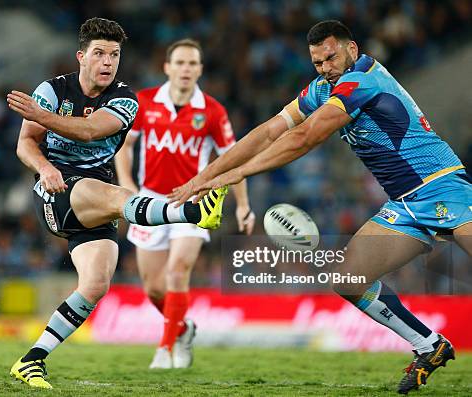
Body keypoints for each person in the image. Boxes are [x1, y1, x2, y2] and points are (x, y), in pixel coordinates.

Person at [170, 20, 471, 394]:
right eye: (317, 63)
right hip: (407, 206)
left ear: (352, 50)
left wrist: (241, 173)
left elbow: (304, 138)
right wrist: (204, 177)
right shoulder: (322, 89)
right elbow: (269, 131)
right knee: (349, 278)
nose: (325, 68)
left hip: (444, 190)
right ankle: (430, 346)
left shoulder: (363, 82)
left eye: (330, 58)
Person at [6, 17, 227, 389]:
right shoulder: (52, 90)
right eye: (99, 54)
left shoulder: (125, 99)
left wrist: (41, 115)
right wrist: (44, 167)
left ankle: (32, 359)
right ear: (81, 56)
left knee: (96, 283)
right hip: (58, 191)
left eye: (114, 54)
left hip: (95, 199)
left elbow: (90, 130)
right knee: (119, 195)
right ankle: (192, 212)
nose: (108, 62)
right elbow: (26, 143)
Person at [115, 39, 255, 369]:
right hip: (149, 202)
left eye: (192, 63)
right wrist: (127, 186)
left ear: (200, 70)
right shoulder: (145, 102)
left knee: (178, 272)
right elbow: (124, 148)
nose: (186, 69)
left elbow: (233, 160)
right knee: (153, 288)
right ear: (167, 67)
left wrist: (243, 206)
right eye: (179, 63)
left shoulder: (213, 111)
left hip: (193, 203)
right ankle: (182, 327)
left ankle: (165, 349)